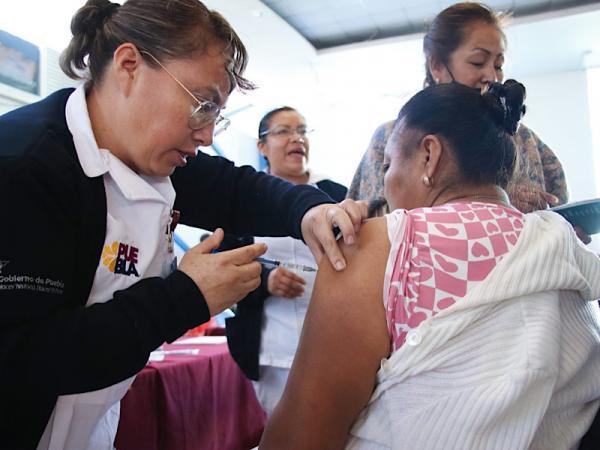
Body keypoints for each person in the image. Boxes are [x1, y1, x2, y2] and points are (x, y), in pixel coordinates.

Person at [0, 1, 367, 449]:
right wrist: (185, 298)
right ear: (129, 66)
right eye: (201, 104)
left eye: (216, 113)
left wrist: (310, 209)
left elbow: (235, 188)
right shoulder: (24, 167)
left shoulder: (150, 158)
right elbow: (23, 356)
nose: (207, 134)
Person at [260, 81, 600, 449]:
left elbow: (301, 434)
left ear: (429, 156)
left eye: (388, 164)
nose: (386, 183)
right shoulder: (559, 239)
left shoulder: (380, 246)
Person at [348, 2, 569, 218]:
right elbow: (366, 223)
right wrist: (496, 200)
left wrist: (565, 229)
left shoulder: (523, 139)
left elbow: (560, 208)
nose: (492, 77)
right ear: (437, 66)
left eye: (498, 65)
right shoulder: (392, 138)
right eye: (477, 62)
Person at [225, 106, 347, 416]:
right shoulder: (241, 200)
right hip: (272, 349)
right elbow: (223, 265)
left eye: (303, 131)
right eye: (284, 131)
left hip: (337, 342)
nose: (297, 139)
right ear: (262, 146)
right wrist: (265, 280)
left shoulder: (336, 194)